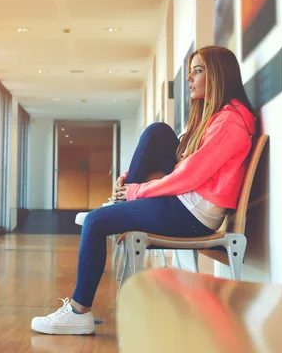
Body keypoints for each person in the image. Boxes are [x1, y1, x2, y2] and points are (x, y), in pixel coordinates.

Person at [30, 46, 257, 335]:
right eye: (190, 71)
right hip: (186, 205)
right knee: (158, 132)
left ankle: (79, 312)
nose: (189, 78)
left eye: (197, 71)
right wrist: (129, 182)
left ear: (218, 75)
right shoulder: (216, 118)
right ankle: (117, 202)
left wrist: (137, 192)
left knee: (96, 221)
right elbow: (183, 166)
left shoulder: (229, 121)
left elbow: (189, 175)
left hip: (194, 215)